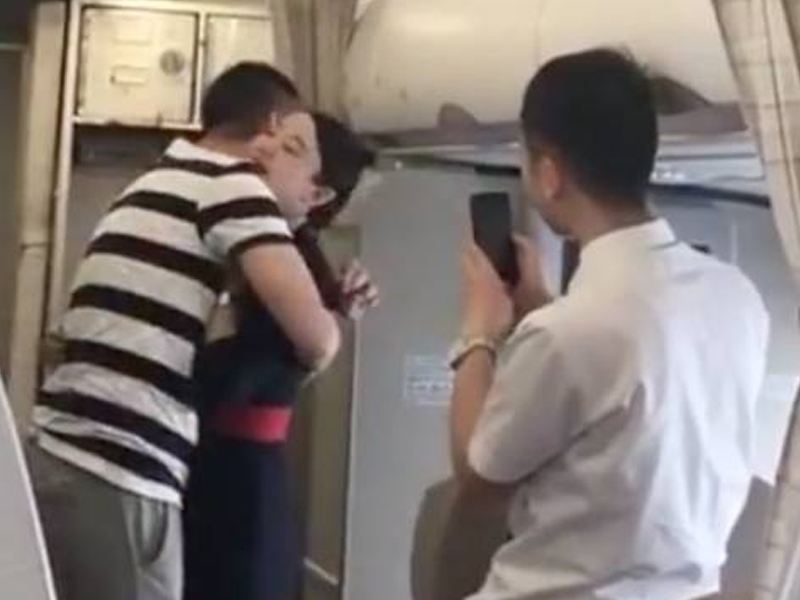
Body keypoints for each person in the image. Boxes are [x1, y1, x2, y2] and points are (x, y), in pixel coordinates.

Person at [449, 48, 770, 600]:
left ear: (549, 174)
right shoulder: (737, 296)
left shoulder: (566, 333)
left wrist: (477, 333)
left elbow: (478, 477)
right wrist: (542, 308)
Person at [28, 62, 349, 600]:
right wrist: (330, 316)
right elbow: (318, 340)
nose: (302, 184)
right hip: (123, 466)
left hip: (59, 453)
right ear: (271, 130)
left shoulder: (157, 180)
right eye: (293, 148)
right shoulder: (234, 185)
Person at [183, 112, 377, 600]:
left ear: (318, 195)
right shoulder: (261, 244)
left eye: (291, 148)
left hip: (234, 479)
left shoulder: (293, 267)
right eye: (271, 132)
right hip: (231, 467)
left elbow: (244, 374)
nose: (264, 147)